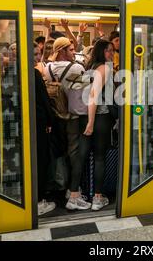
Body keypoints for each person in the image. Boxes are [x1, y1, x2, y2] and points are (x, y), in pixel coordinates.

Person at [44, 37, 92, 210]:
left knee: (61, 153)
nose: (74, 52)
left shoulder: (47, 68)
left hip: (56, 118)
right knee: (75, 154)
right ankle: (73, 193)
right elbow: (82, 96)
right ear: (62, 51)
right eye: (71, 50)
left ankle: (62, 187)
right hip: (73, 118)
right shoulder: (77, 68)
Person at [81, 39, 114, 211]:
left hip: (88, 116)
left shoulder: (91, 66)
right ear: (101, 51)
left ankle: (79, 193)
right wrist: (91, 123)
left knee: (87, 156)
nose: (111, 54)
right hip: (100, 117)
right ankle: (98, 197)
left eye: (113, 50)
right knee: (100, 157)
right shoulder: (105, 68)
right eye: (108, 50)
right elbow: (94, 95)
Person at [34, 47, 56, 216]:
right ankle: (39, 200)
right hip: (39, 124)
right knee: (41, 161)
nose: (37, 57)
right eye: (33, 54)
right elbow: (44, 100)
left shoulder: (12, 73)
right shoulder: (34, 75)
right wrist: (50, 121)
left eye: (37, 53)